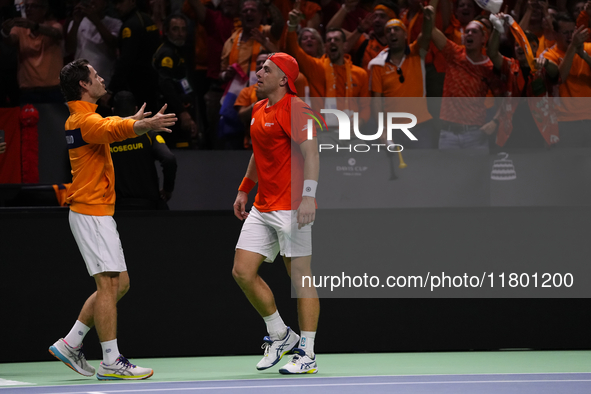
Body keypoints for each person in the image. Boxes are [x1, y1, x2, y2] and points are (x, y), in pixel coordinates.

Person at [48, 59, 176, 380]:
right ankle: (111, 360)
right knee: (107, 285)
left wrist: (130, 121)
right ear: (84, 86)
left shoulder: (82, 119)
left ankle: (72, 342)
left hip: (96, 212)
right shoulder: (84, 120)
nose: (101, 78)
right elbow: (110, 129)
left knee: (120, 283)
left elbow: (107, 128)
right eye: (95, 76)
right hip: (91, 213)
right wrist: (141, 126)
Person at [232, 52, 320, 374]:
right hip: (263, 205)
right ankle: (280, 333)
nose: (259, 72)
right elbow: (259, 153)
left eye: (267, 69)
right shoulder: (257, 109)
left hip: (293, 207)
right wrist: (245, 188)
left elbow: (312, 153)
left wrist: (309, 198)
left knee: (300, 279)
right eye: (259, 67)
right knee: (242, 271)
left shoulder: (296, 108)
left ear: (284, 79)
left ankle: (307, 352)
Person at [430, 16, 501, 151]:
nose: (469, 34)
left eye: (474, 32)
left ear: (483, 38)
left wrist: (495, 121)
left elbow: (507, 99)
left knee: (477, 173)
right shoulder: (454, 53)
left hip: (475, 135)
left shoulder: (489, 67)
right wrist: (432, 8)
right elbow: (431, 29)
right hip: (448, 134)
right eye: (467, 31)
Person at [369, 11, 437, 149]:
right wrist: (382, 129)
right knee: (396, 169)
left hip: (421, 126)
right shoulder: (378, 63)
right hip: (394, 131)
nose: (392, 32)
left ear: (405, 34)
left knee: (424, 168)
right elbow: (376, 100)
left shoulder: (417, 51)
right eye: (388, 31)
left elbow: (426, 35)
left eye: (397, 29)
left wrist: (428, 20)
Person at [110, 91, 178, 210]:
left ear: (113, 110)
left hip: (115, 207)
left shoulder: (104, 137)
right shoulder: (148, 134)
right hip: (148, 206)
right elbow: (169, 158)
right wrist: (168, 189)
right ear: (136, 110)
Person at [542, 12, 591, 147]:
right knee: (570, 165)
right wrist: (573, 47)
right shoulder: (549, 55)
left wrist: (584, 55)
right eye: (565, 33)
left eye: (572, 32)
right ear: (555, 34)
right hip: (566, 120)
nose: (570, 37)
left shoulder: (588, 48)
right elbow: (560, 78)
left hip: (589, 117)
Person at [1, 0, 64, 104]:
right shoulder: (19, 29)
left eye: (33, 6)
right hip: (28, 91)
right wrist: (5, 31)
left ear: (44, 10)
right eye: (27, 7)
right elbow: (10, 40)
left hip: (53, 90)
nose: (29, 10)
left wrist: (33, 25)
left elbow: (56, 33)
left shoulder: (54, 25)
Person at [153, 13, 199, 149]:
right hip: (172, 114)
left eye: (183, 29)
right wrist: (182, 112)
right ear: (166, 31)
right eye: (175, 29)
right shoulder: (168, 54)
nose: (180, 33)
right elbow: (165, 83)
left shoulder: (179, 50)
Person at [106, 0, 161, 112]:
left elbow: (126, 61)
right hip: (154, 81)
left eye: (120, 2)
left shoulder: (130, 26)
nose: (117, 7)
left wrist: (111, 89)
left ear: (132, 2)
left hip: (137, 85)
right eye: (116, 3)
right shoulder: (147, 19)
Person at [66, 0, 121, 88]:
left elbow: (113, 44)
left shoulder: (115, 23)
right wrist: (76, 22)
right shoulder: (76, 23)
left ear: (105, 3)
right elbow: (69, 49)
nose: (92, 1)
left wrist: (96, 21)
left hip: (104, 82)